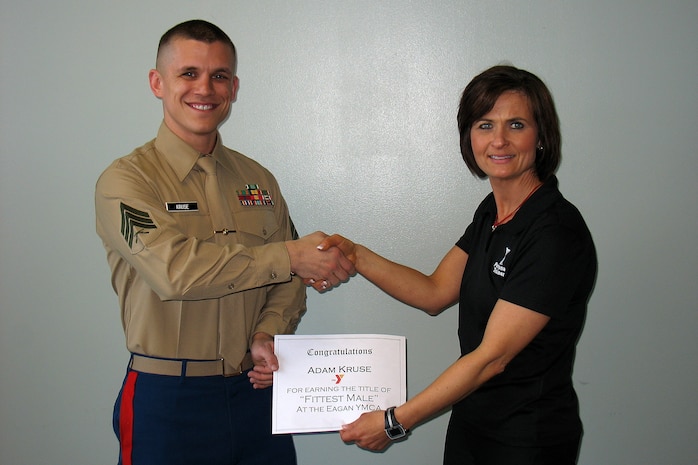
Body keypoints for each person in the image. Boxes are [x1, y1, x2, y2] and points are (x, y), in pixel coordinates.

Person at [95, 19, 353, 465]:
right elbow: (175, 272)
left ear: (234, 88)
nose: (205, 88)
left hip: (254, 393)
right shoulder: (125, 181)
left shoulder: (258, 180)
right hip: (168, 398)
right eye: (188, 73)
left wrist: (267, 332)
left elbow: (289, 281)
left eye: (219, 76)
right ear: (158, 83)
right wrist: (289, 256)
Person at [316, 65, 597, 464]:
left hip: (527, 441)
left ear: (541, 137)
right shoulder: (493, 212)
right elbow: (435, 292)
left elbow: (492, 358)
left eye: (516, 124)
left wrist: (395, 421)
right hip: (473, 427)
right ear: (469, 136)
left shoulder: (555, 232)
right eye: (485, 125)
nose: (498, 140)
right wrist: (357, 255)